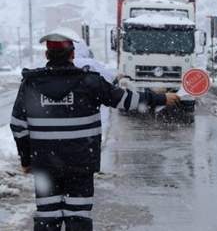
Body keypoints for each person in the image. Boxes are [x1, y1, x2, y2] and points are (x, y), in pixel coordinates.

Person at [9, 27, 180, 231]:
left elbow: (18, 125)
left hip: (45, 165)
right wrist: (160, 98)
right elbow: (125, 100)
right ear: (72, 54)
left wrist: (27, 159)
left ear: (47, 54)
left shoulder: (31, 84)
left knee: (47, 217)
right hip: (80, 165)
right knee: (78, 217)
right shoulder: (90, 82)